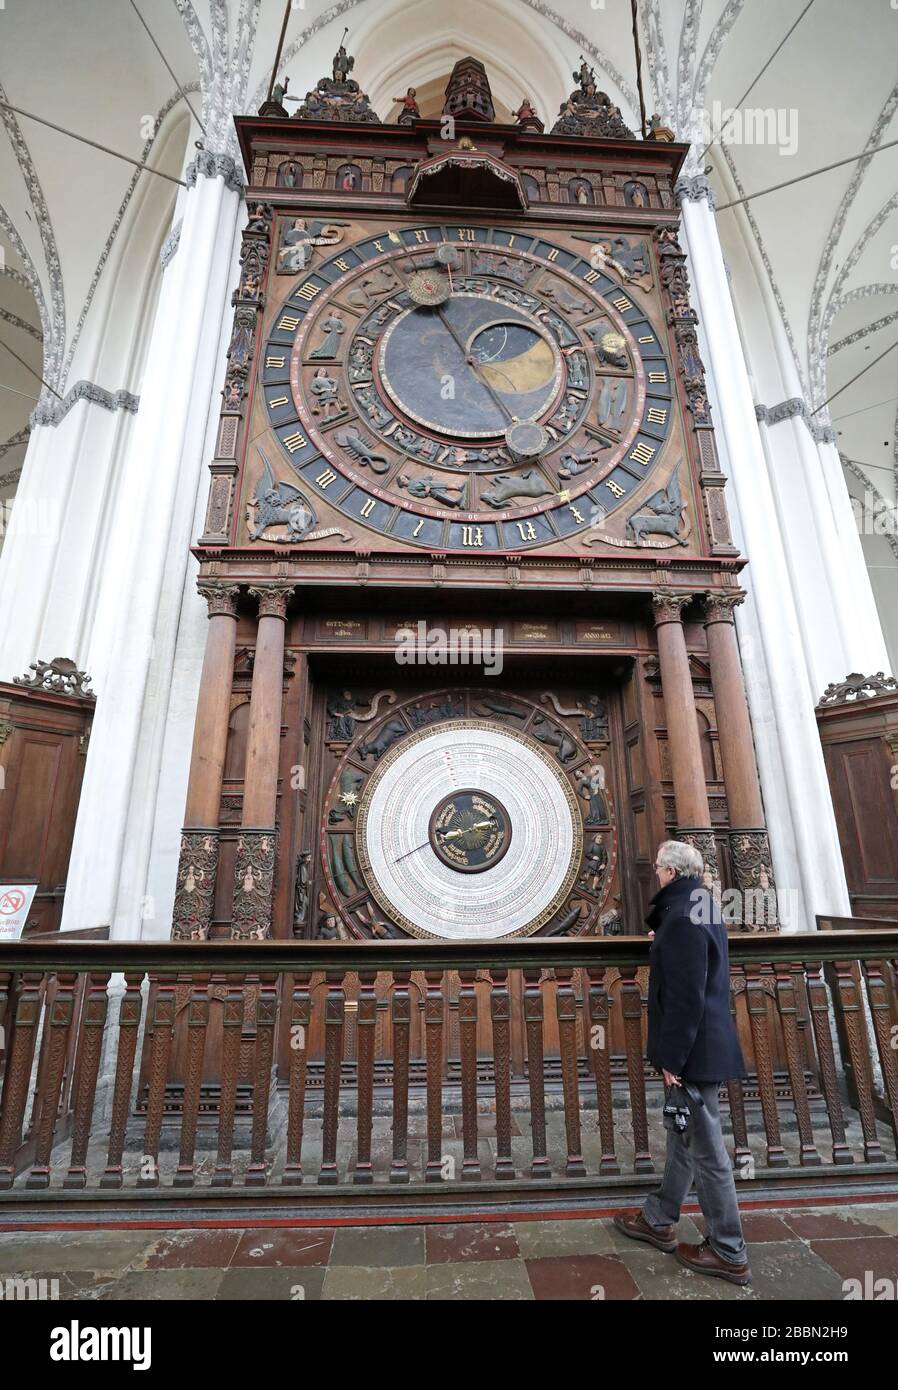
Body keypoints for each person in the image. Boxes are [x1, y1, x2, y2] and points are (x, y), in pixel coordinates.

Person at [613, 840, 751, 1286]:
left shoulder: (684, 915)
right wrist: (664, 938)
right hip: (704, 1043)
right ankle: (658, 1217)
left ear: (670, 872)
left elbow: (687, 994)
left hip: (694, 1050)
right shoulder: (699, 905)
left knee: (708, 1151)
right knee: (684, 1135)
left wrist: (673, 1058)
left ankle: (729, 1249)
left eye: (656, 868)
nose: (655, 874)